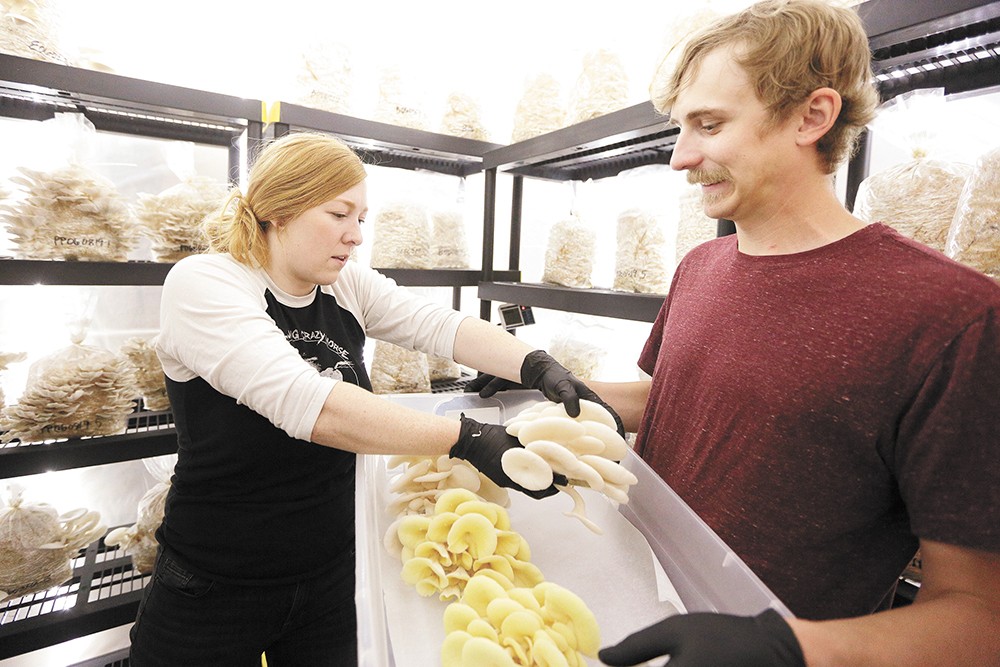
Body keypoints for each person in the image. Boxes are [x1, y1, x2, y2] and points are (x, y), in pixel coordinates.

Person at [473, 1, 1000, 664]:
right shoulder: (702, 265)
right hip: (631, 606)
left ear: (812, 116)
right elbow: (679, 400)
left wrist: (789, 646)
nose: (679, 157)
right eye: (680, 128)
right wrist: (554, 386)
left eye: (709, 125)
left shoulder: (952, 315)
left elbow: (979, 613)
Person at [127, 131, 612, 666]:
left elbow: (436, 324)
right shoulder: (206, 282)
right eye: (339, 214)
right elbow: (312, 406)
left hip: (332, 574)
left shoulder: (344, 285)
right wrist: (467, 439)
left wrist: (533, 363)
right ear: (279, 210)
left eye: (362, 218)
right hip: (213, 582)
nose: (356, 235)